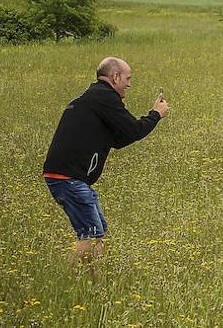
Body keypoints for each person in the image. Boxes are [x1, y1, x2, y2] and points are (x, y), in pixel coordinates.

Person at [43, 56, 170, 269]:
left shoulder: (94, 97)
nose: (129, 84)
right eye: (127, 79)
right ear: (115, 77)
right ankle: (75, 278)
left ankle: (92, 280)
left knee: (98, 231)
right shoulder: (104, 98)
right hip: (69, 178)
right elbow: (134, 130)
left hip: (68, 177)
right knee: (92, 236)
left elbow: (120, 139)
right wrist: (156, 114)